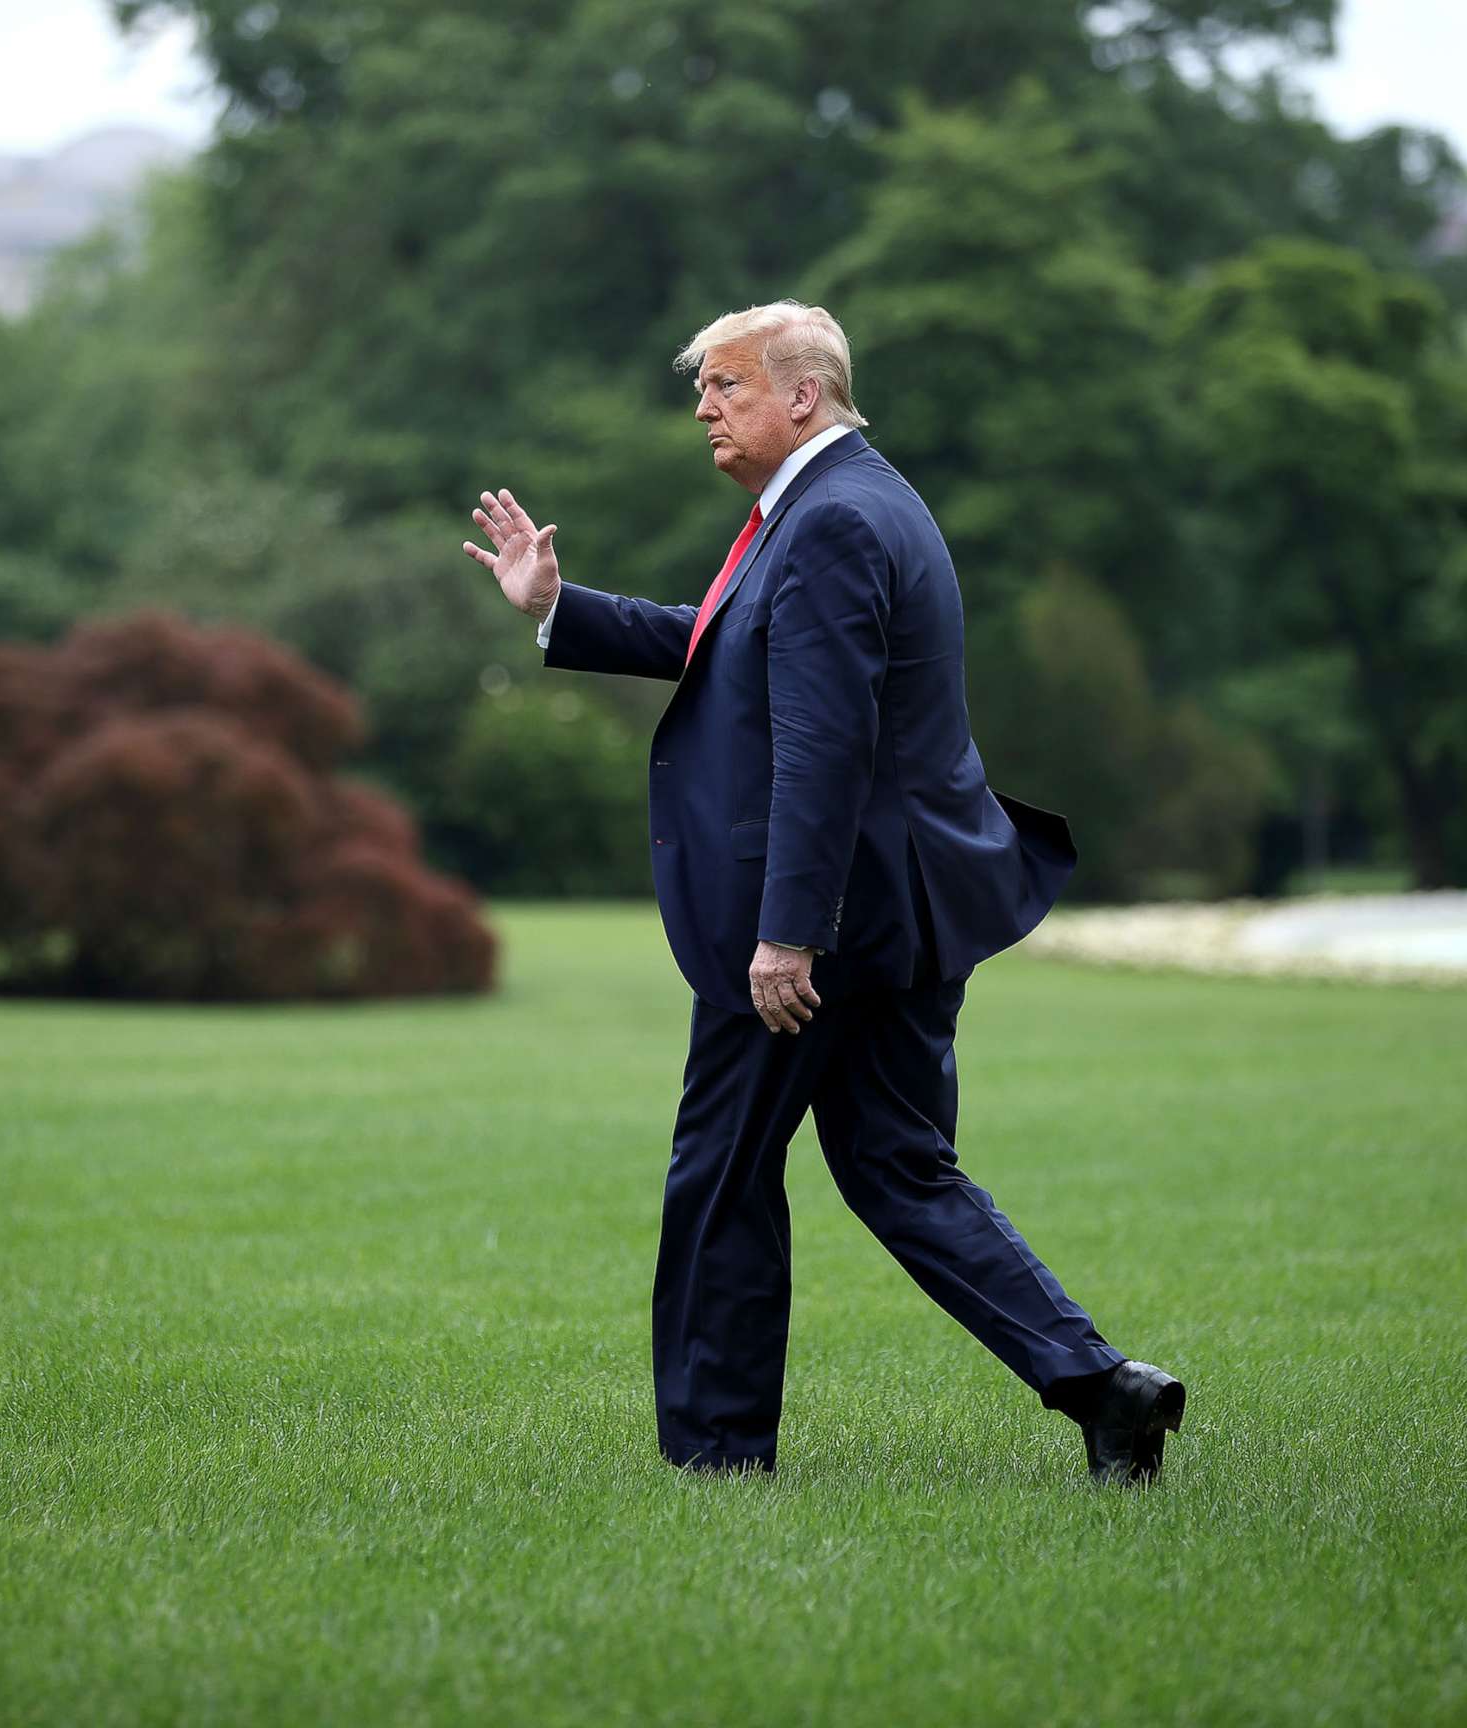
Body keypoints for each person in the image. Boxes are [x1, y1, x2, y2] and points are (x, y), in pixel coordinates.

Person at [460, 301, 1184, 1483]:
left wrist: (786, 934)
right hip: (897, 908)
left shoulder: (834, 518)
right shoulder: (848, 501)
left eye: (727, 385)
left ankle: (715, 1455)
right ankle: (1107, 1390)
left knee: (723, 1169)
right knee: (899, 1167)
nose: (704, 406)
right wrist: (557, 609)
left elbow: (824, 743)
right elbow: (734, 643)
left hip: (826, 923)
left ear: (803, 394)